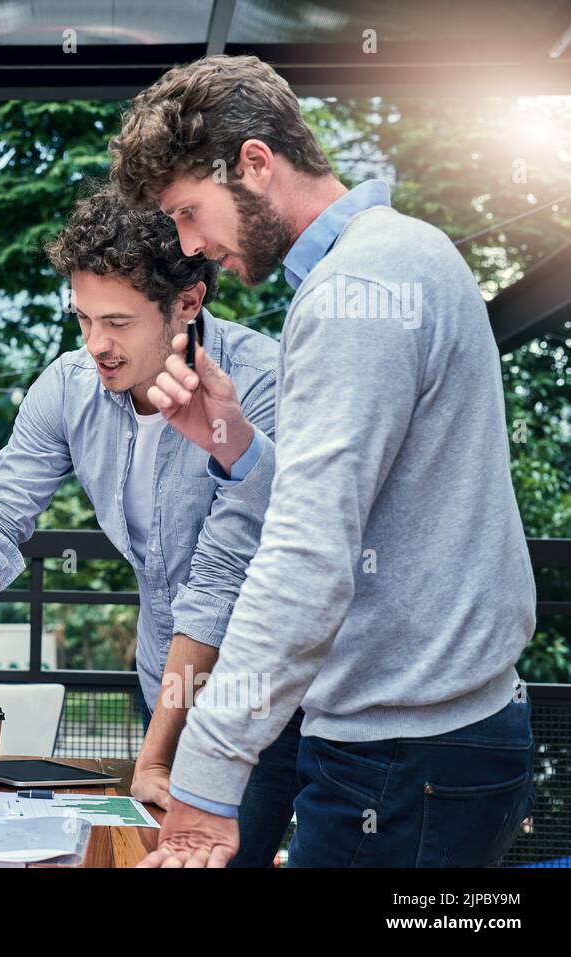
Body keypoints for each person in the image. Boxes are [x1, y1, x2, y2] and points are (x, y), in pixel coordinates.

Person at [112, 55, 537, 867]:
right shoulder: (399, 252)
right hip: (432, 745)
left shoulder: (356, 289)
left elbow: (310, 557)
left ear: (255, 164)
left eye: (190, 213)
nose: (193, 248)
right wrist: (233, 441)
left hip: (406, 757)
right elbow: (371, 507)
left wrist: (205, 771)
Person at [0, 186, 300, 866]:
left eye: (117, 322)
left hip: (266, 702)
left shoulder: (259, 381)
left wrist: (156, 757)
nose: (95, 345)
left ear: (187, 304)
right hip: (166, 685)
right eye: (83, 318)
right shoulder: (68, 386)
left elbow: (220, 579)